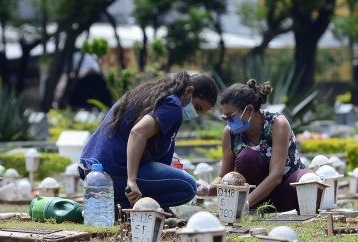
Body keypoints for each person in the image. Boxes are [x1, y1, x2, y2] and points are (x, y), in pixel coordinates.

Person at [81, 71, 217, 209]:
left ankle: (122, 206)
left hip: (90, 168)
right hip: (110, 173)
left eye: (200, 112)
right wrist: (132, 180)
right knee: (188, 187)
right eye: (197, 107)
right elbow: (138, 132)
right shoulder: (173, 105)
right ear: (189, 90)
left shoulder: (155, 96)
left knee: (182, 180)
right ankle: (120, 209)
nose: (196, 114)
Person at [214, 79, 307, 212]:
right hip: (254, 198)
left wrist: (244, 203)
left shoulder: (277, 124)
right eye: (225, 118)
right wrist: (207, 187)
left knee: (305, 178)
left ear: (250, 110)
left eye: (231, 116)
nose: (229, 121)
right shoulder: (230, 133)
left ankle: (252, 206)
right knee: (246, 156)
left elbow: (276, 176)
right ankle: (254, 208)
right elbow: (225, 176)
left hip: (285, 191)